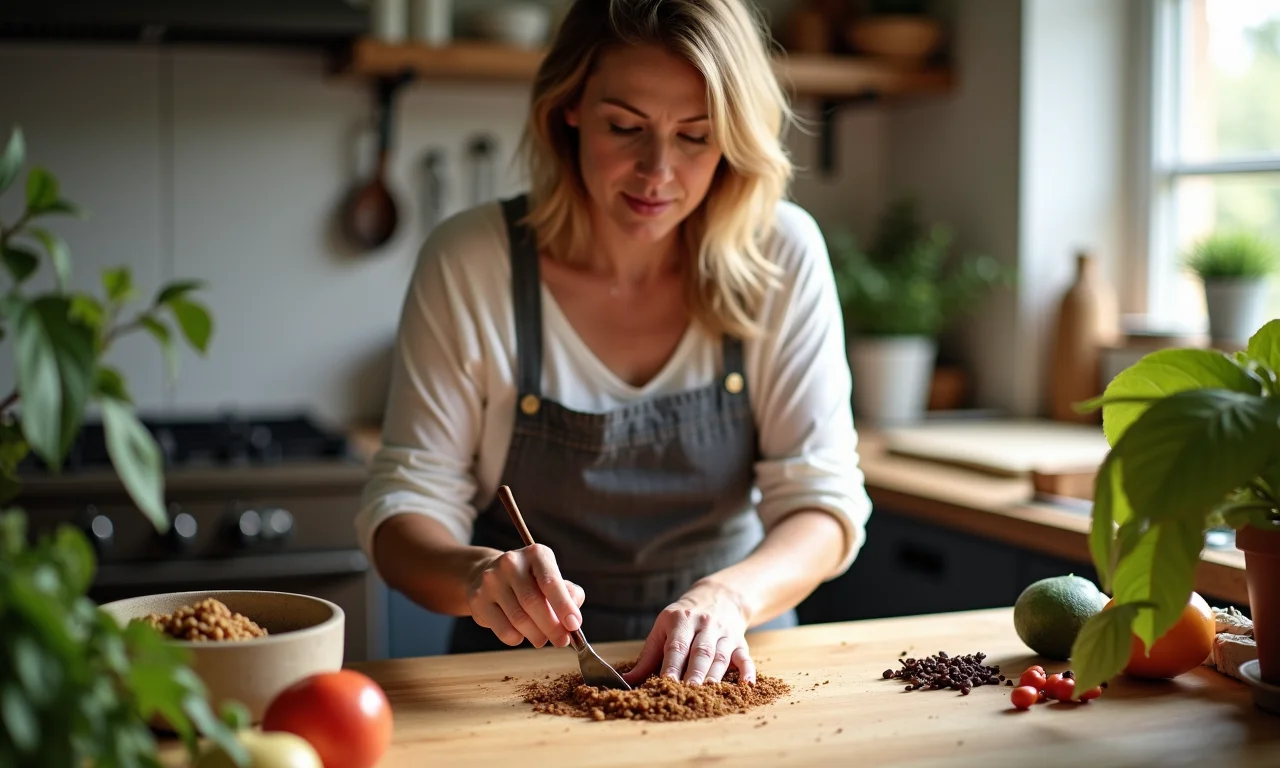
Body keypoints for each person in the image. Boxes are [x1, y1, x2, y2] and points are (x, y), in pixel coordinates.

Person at [356, 0, 872, 687]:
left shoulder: (781, 253)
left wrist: (727, 598)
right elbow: (404, 513)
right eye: (625, 127)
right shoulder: (472, 261)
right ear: (569, 108)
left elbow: (825, 505)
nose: (657, 170)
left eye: (696, 135)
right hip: (519, 676)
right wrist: (480, 576)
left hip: (731, 662)